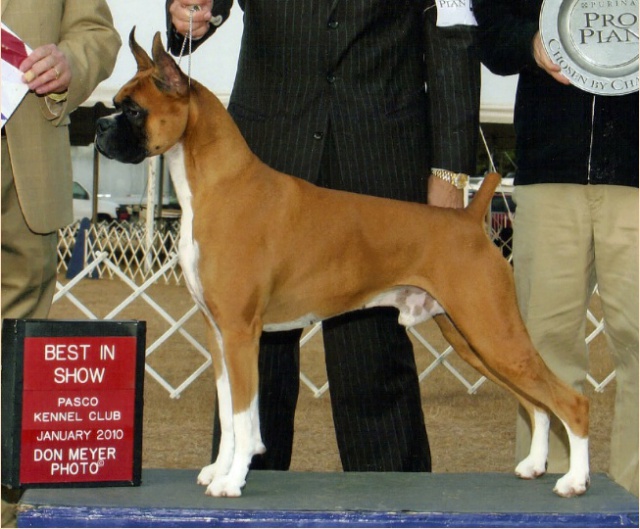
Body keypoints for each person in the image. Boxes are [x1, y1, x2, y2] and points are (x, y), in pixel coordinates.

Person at [166, 0, 480, 472]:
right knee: (252, 351)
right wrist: (191, 8)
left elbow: (453, 33)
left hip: (379, 155)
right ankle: (243, 493)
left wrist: (451, 171)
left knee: (373, 357)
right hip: (265, 150)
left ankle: (394, 509)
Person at [474, 0, 639, 496]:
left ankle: (634, 497)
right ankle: (546, 502)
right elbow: (493, 35)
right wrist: (532, 43)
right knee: (542, 345)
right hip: (549, 168)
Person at [1, 0, 121, 525]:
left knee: (13, 356)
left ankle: (4, 512)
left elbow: (96, 32)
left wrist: (71, 63)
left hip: (23, 161)